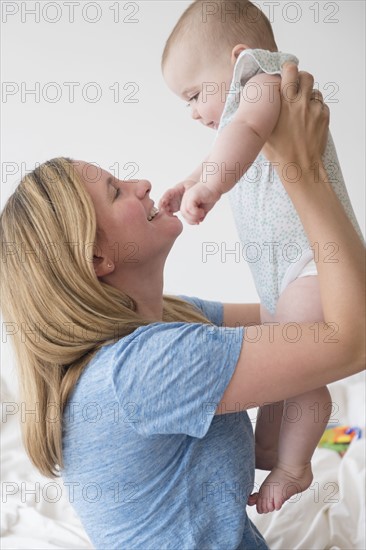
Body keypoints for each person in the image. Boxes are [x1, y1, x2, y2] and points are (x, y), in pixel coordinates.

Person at [0, 64, 364, 550]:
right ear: (96, 258)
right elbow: (352, 341)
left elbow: (310, 314)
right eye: (117, 191)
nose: (144, 183)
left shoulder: (167, 319)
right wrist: (306, 172)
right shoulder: (143, 368)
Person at [160, 0, 364, 512]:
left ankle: (294, 465)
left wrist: (208, 185)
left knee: (299, 372)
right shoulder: (241, 120)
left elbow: (243, 134)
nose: (191, 113)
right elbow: (227, 148)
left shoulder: (265, 81)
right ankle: (273, 447)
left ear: (238, 59)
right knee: (278, 358)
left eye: (192, 95)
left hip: (313, 265)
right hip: (283, 275)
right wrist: (190, 179)